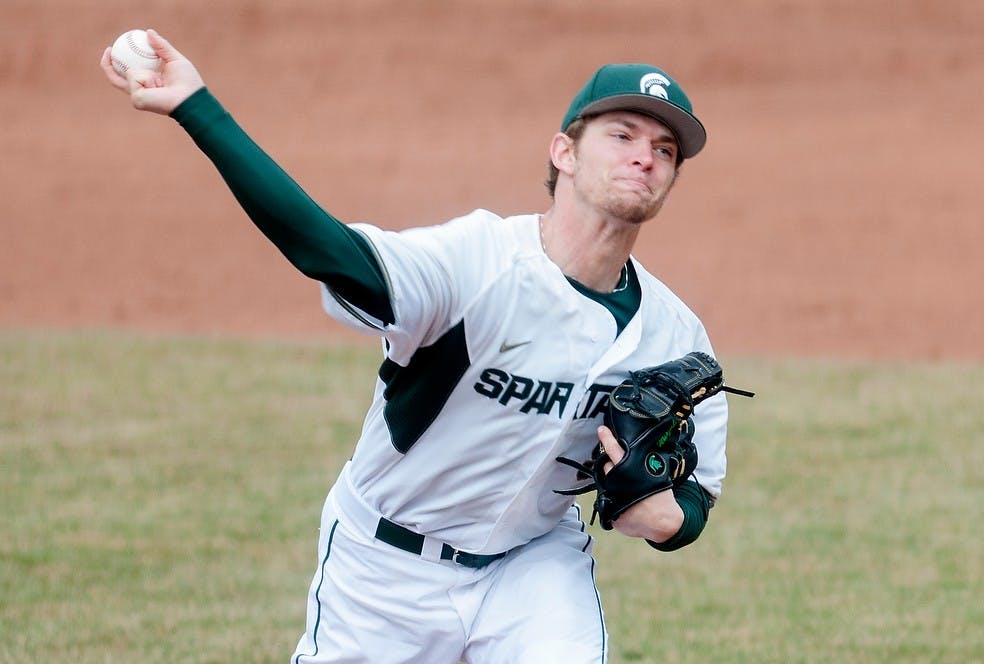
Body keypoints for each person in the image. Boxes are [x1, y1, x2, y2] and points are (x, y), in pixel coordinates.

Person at [101, 29, 730, 664]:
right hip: (384, 569)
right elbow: (330, 253)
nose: (645, 157)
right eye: (622, 135)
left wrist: (667, 518)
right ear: (564, 152)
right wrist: (198, 108)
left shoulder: (675, 337)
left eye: (665, 149)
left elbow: (695, 495)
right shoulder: (474, 263)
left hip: (532, 568)